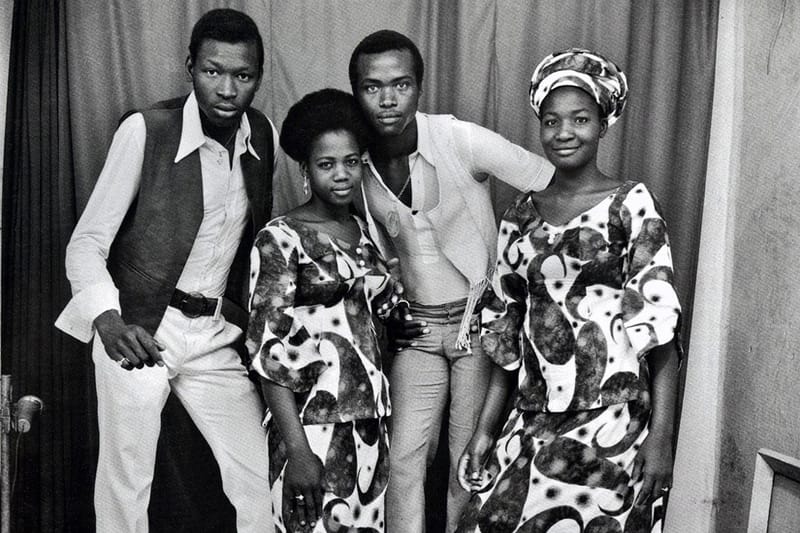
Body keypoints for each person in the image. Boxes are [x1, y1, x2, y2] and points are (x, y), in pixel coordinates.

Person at [54, 9, 276, 532]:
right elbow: (86, 244)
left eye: (242, 76)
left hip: (214, 334)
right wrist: (108, 322)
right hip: (139, 327)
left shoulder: (260, 134)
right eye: (212, 71)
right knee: (127, 483)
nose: (226, 89)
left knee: (259, 478)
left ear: (258, 78)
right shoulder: (146, 130)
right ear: (189, 68)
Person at [456, 49, 681, 532]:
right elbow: (507, 341)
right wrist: (484, 431)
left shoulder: (631, 205)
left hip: (615, 422)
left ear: (603, 124)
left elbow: (661, 338)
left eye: (580, 119)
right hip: (534, 413)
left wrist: (661, 438)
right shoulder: (519, 215)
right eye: (552, 120)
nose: (564, 132)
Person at [348, 29, 555, 532]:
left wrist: (517, 270)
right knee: (403, 459)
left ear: (419, 87)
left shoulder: (457, 137)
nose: (388, 98)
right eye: (372, 87)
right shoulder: (356, 161)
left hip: (476, 327)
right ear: (356, 92)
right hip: (415, 330)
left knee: (468, 461)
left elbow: (547, 179)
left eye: (400, 84)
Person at [247, 88, 399, 533]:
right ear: (305, 170)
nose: (341, 175)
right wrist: (297, 450)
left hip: (369, 425)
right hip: (311, 426)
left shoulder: (363, 232)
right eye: (327, 164)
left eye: (351, 162)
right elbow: (266, 354)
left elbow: (375, 323)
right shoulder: (280, 238)